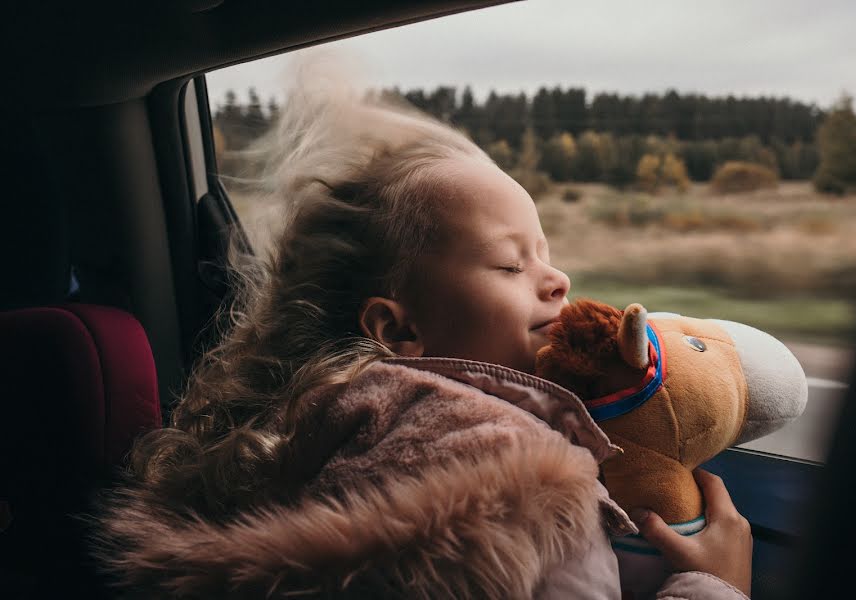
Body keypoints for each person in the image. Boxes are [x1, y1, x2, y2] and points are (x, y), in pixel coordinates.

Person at [92, 57, 752, 599]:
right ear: (398, 330)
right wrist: (715, 585)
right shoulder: (514, 498)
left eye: (548, 256)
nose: (559, 283)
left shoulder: (325, 434)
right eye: (511, 262)